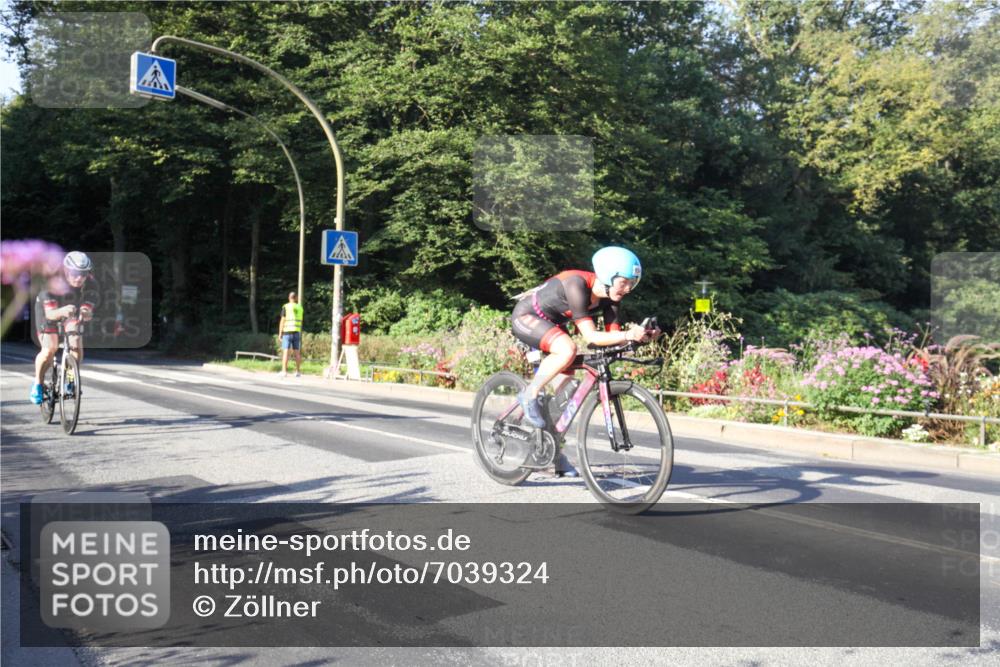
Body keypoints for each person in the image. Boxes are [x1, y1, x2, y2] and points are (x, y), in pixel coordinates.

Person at [510, 246, 660, 476]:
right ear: (608, 275)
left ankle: (552, 454)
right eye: (624, 282)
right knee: (567, 348)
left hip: (553, 325)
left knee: (567, 390)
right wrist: (628, 334)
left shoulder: (611, 298)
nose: (628, 289)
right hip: (527, 317)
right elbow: (591, 337)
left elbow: (611, 340)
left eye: (633, 283)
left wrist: (642, 337)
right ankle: (529, 394)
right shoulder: (576, 284)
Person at [29, 251, 97, 404]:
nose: (79, 277)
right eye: (75, 273)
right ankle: (38, 383)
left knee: (76, 341)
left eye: (84, 273)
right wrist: (61, 311)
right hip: (48, 312)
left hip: (71, 310)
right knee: (49, 349)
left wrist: (86, 312)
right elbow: (50, 314)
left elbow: (89, 306)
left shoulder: (91, 283)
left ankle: (71, 379)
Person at [277, 291, 303, 377]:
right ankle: (298, 372)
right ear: (296, 298)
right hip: (297, 332)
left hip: (287, 332)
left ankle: (284, 372)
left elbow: (282, 320)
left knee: (286, 352)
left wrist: (280, 333)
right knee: (297, 353)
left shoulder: (286, 307)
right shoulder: (300, 307)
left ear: (289, 297)